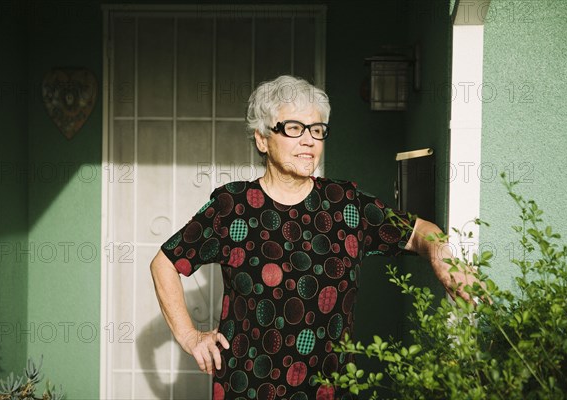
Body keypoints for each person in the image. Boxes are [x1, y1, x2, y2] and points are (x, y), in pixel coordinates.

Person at [150, 75, 479, 400]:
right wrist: (191, 337)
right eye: (294, 128)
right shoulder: (231, 207)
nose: (309, 140)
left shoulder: (347, 205)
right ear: (262, 139)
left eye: (317, 130)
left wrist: (441, 255)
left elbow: (422, 232)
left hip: (329, 391)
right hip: (246, 388)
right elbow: (165, 263)